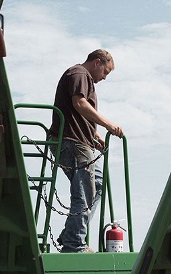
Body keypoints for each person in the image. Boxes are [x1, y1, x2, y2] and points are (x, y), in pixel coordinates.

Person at [49, 49, 124, 253]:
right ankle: (74, 244)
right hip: (72, 142)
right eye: (105, 72)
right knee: (83, 191)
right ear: (97, 62)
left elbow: (78, 113)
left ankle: (71, 234)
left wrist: (95, 134)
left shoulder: (82, 77)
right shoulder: (80, 74)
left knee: (97, 184)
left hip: (81, 141)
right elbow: (79, 103)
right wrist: (108, 125)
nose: (104, 78)